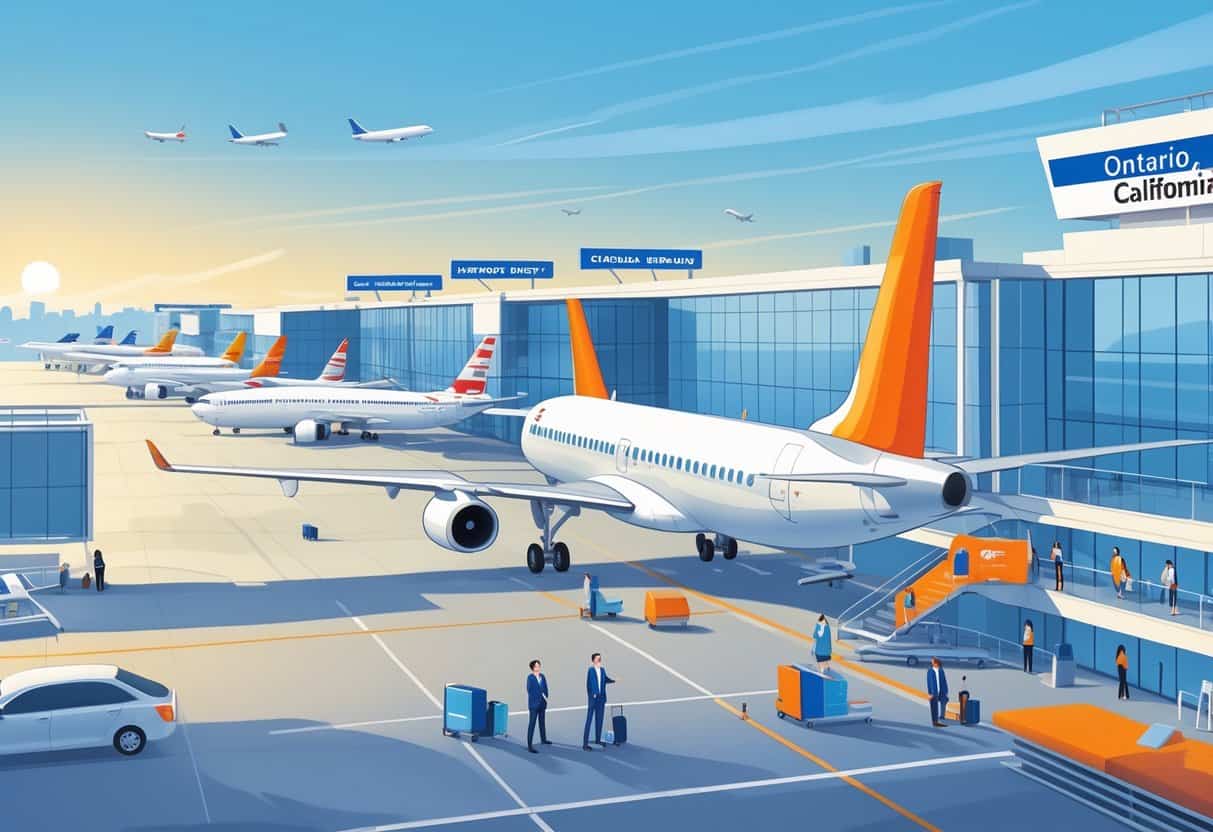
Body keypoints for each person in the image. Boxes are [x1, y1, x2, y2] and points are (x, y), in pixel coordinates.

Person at [582, 652, 615, 750]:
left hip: (601, 699)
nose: (599, 660)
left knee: (599, 720)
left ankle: (597, 739)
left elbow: (605, 679)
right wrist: (594, 694)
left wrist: (613, 680)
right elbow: (591, 683)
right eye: (597, 658)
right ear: (593, 661)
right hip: (594, 699)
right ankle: (585, 744)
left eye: (600, 658)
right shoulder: (591, 670)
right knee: (589, 720)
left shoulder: (603, 670)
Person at [525, 659, 551, 753]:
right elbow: (529, 690)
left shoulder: (542, 676)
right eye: (536, 666)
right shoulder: (530, 678)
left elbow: (546, 687)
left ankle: (543, 739)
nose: (538, 667)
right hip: (534, 705)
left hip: (542, 704)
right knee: (532, 724)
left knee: (542, 722)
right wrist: (538, 697)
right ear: (532, 668)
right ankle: (529, 745)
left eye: (539, 665)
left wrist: (546, 697)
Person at [927, 657, 949, 727]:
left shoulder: (941, 670)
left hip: (942, 691)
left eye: (933, 662)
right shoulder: (930, 671)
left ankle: (942, 716)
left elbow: (944, 681)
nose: (932, 663)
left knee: (944, 702)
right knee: (934, 707)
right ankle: (935, 722)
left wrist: (946, 691)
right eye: (932, 662)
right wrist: (931, 693)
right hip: (934, 692)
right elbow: (929, 682)